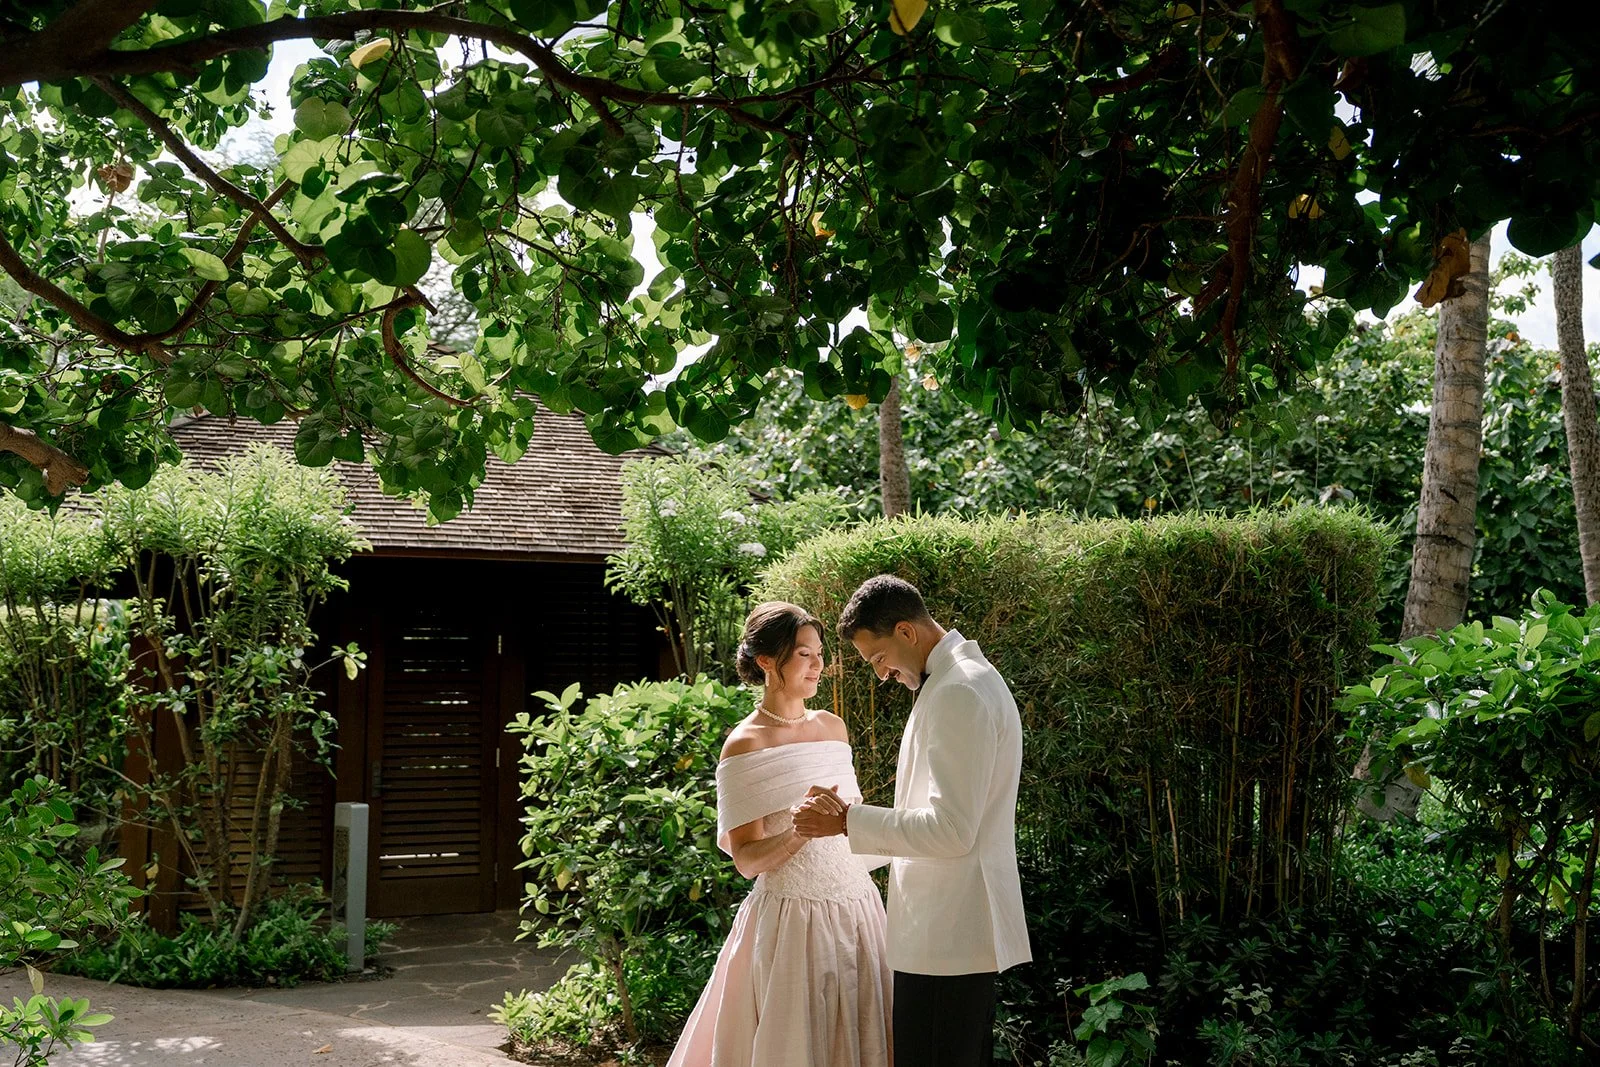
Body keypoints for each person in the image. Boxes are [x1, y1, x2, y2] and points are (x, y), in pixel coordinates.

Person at [794, 575, 1030, 1067]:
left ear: (906, 631)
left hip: (948, 934)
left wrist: (847, 822)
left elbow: (951, 829)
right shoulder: (956, 680)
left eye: (877, 659)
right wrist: (840, 857)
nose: (880, 675)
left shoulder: (959, 692)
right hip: (944, 933)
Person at [667, 601, 893, 1067]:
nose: (819, 665)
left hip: (859, 907)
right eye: (805, 655)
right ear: (768, 661)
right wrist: (798, 831)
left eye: (819, 654)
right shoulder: (745, 743)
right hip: (793, 920)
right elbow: (746, 860)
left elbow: (853, 817)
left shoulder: (834, 727)